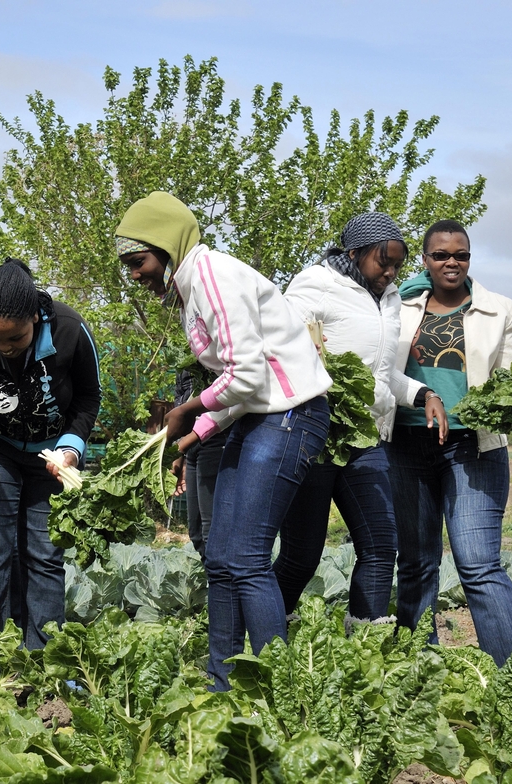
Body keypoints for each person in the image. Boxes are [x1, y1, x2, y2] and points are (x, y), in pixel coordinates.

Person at [116, 191, 332, 690]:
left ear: (167, 247)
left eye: (139, 261)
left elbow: (248, 375)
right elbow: (240, 391)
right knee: (220, 556)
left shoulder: (213, 275)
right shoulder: (193, 288)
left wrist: (190, 408)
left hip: (290, 416)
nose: (135, 274)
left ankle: (277, 686)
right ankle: (223, 682)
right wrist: (196, 436)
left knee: (246, 557)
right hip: (262, 418)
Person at [274, 213, 448, 623]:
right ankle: (261, 632)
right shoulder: (316, 284)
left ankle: (364, 643)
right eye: (382, 262)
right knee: (302, 555)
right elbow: (279, 344)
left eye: (396, 265)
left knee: (380, 546)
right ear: (354, 253)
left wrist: (423, 393)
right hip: (316, 437)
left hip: (366, 441)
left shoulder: (388, 298)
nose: (390, 273)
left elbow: (383, 375)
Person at [390, 219, 512, 666]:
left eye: (461, 255)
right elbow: (381, 367)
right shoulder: (398, 306)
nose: (452, 262)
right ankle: (421, 670)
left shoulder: (499, 309)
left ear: (470, 259)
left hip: (472, 447)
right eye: (440, 255)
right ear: (425, 259)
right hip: (406, 444)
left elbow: (509, 378)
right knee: (415, 564)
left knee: (477, 564)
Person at [0, 259, 101, 648]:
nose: (6, 348)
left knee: (45, 555)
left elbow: (88, 396)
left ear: (34, 316)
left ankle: (46, 657)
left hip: (52, 453)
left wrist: (70, 449)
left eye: (15, 338)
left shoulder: (70, 329)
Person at [172, 367, 228, 557]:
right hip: (192, 446)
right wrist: (181, 452)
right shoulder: (187, 359)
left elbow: (229, 394)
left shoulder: (220, 348)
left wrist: (181, 446)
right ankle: (215, 584)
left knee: (212, 534)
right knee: (196, 534)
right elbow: (180, 403)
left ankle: (224, 585)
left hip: (217, 439)